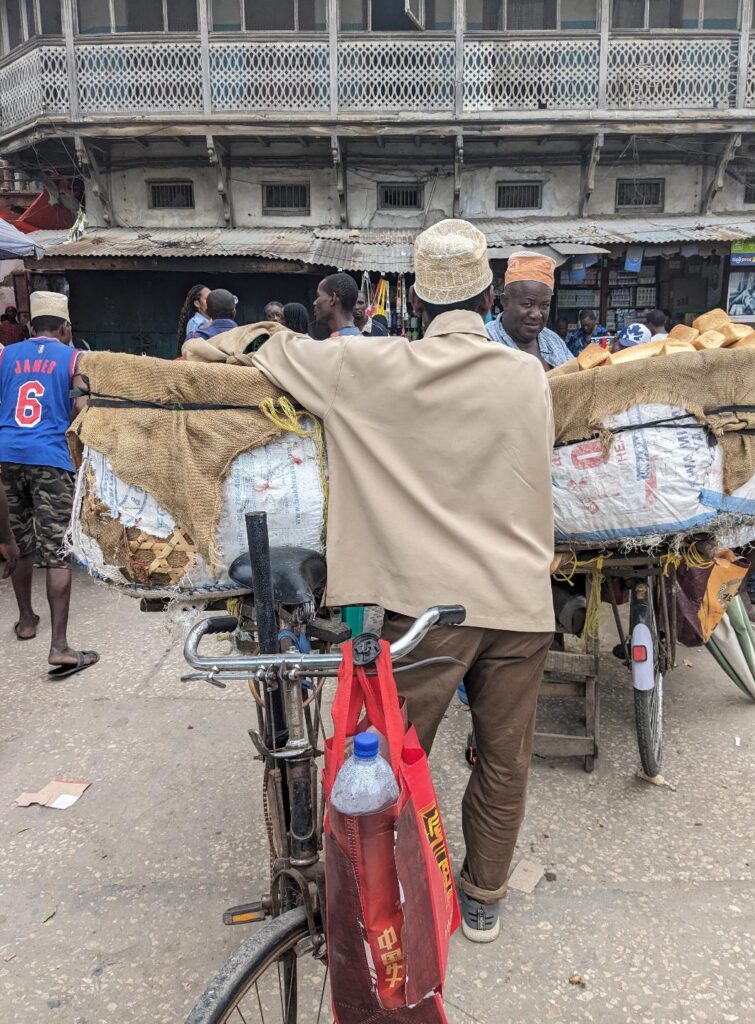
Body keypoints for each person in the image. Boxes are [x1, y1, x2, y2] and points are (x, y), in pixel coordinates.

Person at [253, 219, 555, 942]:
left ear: (415, 304)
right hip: (520, 603)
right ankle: (482, 897)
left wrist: (236, 333)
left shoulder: (375, 368)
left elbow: (271, 349)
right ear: (490, 298)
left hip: (427, 610)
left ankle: (378, 901)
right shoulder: (527, 375)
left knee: (384, 759)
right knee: (504, 758)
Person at [0, 291, 98, 677]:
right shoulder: (74, 357)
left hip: (8, 454)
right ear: (65, 327)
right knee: (58, 550)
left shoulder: (6, 354)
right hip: (50, 458)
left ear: (29, 325)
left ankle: (26, 621)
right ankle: (60, 647)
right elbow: (80, 408)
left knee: (22, 544)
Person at [486, 251, 572, 369]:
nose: (536, 314)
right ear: (505, 301)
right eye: (527, 304)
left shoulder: (554, 341)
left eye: (544, 305)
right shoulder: (484, 342)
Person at [312, 273, 361, 337]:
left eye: (318, 296)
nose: (314, 303)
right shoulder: (359, 339)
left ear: (333, 299)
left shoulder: (337, 344)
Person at [177, 284, 210, 353]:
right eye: (207, 299)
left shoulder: (215, 320)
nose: (212, 302)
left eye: (212, 298)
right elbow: (193, 350)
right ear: (197, 303)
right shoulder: (194, 323)